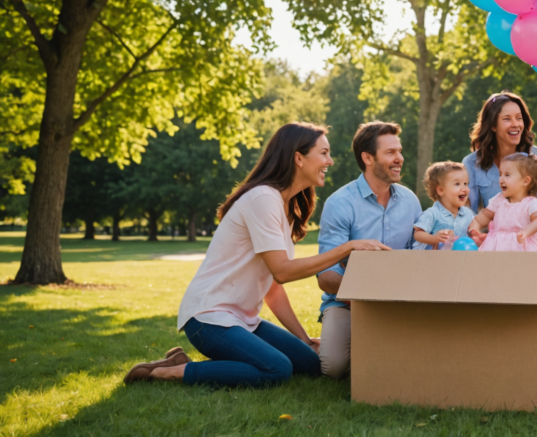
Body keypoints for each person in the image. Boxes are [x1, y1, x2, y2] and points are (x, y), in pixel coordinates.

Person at [124, 123, 391, 387]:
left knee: (310, 364)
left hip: (243, 321)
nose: (330, 161)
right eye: (323, 153)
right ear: (298, 158)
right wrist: (347, 247)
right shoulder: (262, 198)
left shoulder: (283, 207)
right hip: (208, 318)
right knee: (277, 370)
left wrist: (305, 340)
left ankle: (178, 361)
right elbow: (283, 272)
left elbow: (273, 288)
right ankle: (168, 372)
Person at [316, 121, 423, 379]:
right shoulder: (340, 203)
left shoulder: (410, 201)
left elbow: (419, 259)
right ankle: (314, 344)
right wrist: (367, 300)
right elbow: (326, 276)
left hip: (399, 301)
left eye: (399, 151)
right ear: (367, 158)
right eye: (390, 153)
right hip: (347, 303)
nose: (399, 158)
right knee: (333, 368)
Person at [463, 92, 537, 248]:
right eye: (506, 119)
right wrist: (476, 235)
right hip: (492, 238)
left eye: (519, 118)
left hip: (529, 237)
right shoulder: (472, 163)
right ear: (493, 126)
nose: (516, 124)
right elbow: (468, 211)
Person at [468, 153, 537, 252]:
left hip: (522, 247)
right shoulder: (498, 200)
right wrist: (474, 231)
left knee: (522, 267)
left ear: (525, 181)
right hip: (497, 248)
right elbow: (480, 219)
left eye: (507, 175)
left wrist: (526, 232)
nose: (501, 179)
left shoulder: (530, 203)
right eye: (500, 174)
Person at [412, 161, 475, 250]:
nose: (464, 188)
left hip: (458, 261)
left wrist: (476, 235)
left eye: (465, 183)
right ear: (441, 190)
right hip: (434, 261)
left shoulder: (468, 214)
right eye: (457, 184)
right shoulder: (433, 213)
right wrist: (434, 238)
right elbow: (418, 234)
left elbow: (473, 232)